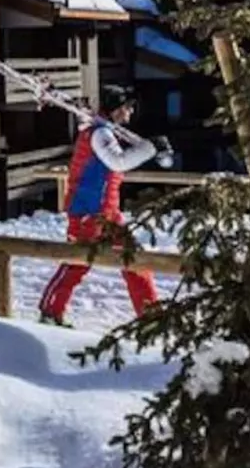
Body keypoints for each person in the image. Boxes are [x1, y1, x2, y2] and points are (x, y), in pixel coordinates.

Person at [38, 85, 173, 327]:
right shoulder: (99, 135)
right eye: (128, 107)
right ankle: (50, 312)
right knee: (77, 262)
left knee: (134, 259)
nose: (130, 113)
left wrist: (148, 149)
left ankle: (150, 316)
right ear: (117, 109)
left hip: (107, 212)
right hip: (88, 211)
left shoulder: (105, 132)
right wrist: (150, 148)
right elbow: (117, 162)